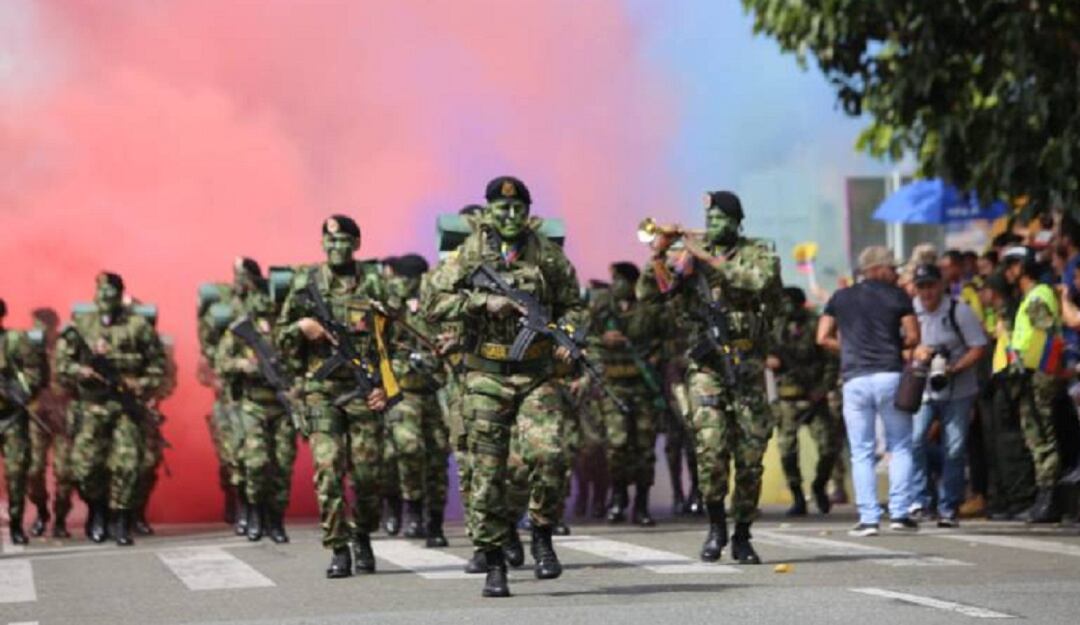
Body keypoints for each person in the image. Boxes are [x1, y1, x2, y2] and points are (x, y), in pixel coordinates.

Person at [424, 176, 585, 597]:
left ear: (528, 212)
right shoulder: (468, 254)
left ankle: (542, 533)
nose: (510, 216)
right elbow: (433, 303)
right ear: (489, 211)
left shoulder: (547, 256)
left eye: (518, 209)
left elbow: (573, 305)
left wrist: (568, 334)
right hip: (485, 375)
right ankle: (494, 561)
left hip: (536, 374)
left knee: (550, 453)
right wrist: (483, 302)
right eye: (501, 209)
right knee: (488, 473)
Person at [639, 190, 783, 564]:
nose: (711, 226)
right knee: (711, 450)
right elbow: (653, 294)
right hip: (706, 368)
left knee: (750, 457)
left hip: (747, 366)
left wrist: (708, 257)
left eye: (720, 220)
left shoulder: (759, 252)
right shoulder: (687, 259)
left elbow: (758, 282)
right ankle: (716, 524)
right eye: (709, 220)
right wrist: (658, 252)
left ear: (737, 223)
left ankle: (743, 534)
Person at [277, 215, 393, 578]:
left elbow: (396, 340)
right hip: (322, 392)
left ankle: (362, 534)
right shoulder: (305, 282)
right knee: (327, 470)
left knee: (368, 477)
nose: (336, 247)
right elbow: (280, 336)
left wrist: (386, 389)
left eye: (344, 241)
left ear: (357, 244)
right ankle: (338, 546)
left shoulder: (374, 283)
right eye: (330, 241)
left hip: (364, 391)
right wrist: (301, 326)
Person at [54, 272, 166, 546]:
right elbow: (61, 364)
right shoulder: (81, 325)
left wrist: (139, 383)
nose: (105, 298)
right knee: (87, 468)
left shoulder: (138, 327)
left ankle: (120, 519)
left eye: (110, 292)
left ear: (120, 295)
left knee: (128, 465)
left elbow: (158, 367)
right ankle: (97, 511)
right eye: (100, 292)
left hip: (126, 408)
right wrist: (81, 371)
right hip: (92, 407)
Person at [817, 246, 921, 536]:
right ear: (878, 268)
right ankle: (900, 514)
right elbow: (914, 335)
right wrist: (892, 347)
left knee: (861, 451)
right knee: (899, 445)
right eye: (892, 268)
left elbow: (822, 336)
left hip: (855, 380)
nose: (896, 273)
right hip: (890, 375)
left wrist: (849, 348)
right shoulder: (897, 296)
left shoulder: (841, 297)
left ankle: (868, 518)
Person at [215, 266, 296, 544]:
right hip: (253, 406)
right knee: (257, 463)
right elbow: (221, 363)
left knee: (282, 466)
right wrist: (244, 365)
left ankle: (276, 520)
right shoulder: (241, 329)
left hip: (283, 405)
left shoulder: (288, 329)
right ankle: (255, 514)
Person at [908, 264, 988, 527]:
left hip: (958, 390)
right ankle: (921, 500)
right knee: (916, 441)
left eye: (931, 285)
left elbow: (978, 347)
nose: (926, 292)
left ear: (940, 285)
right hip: (923, 390)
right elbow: (900, 346)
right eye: (921, 286)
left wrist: (954, 367)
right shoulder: (911, 311)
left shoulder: (959, 310)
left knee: (954, 448)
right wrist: (917, 355)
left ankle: (948, 507)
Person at [589, 261, 662, 527]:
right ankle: (618, 498)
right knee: (617, 445)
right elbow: (583, 337)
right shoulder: (601, 308)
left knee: (644, 447)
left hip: (642, 387)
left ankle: (641, 504)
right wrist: (603, 340)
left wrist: (656, 357)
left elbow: (667, 340)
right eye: (614, 279)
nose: (616, 284)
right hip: (613, 386)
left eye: (620, 279)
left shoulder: (648, 311)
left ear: (632, 283)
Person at [384, 254, 450, 547]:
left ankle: (434, 521)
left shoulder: (435, 305)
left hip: (435, 392)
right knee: (409, 448)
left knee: (437, 456)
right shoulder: (391, 306)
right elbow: (380, 340)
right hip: (404, 393)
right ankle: (411, 509)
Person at [1001, 248, 1064, 522]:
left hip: (1038, 375)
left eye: (1011, 266)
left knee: (1042, 435)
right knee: (1035, 435)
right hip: (1029, 374)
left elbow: (1048, 335)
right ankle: (1043, 497)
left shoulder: (1038, 296)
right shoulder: (1031, 296)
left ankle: (1049, 499)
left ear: (1022, 267)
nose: (1007, 272)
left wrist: (1037, 371)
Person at [767, 286, 840, 516]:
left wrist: (822, 389)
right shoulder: (774, 327)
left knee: (829, 447)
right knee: (787, 449)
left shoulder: (816, 323)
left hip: (814, 395)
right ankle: (797, 495)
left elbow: (831, 361)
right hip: (787, 397)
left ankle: (819, 486)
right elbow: (762, 353)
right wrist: (768, 360)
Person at [25, 307, 75, 538]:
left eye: (45, 326)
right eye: (37, 326)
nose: (40, 331)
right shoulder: (25, 349)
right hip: (36, 416)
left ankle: (61, 518)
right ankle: (42, 511)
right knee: (33, 469)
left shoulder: (68, 348)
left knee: (64, 471)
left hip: (64, 415)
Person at [0, 298, 46, 544]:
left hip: (11, 417)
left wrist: (16, 390)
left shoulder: (16, 341)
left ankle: (16, 522)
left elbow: (35, 374)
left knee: (17, 473)